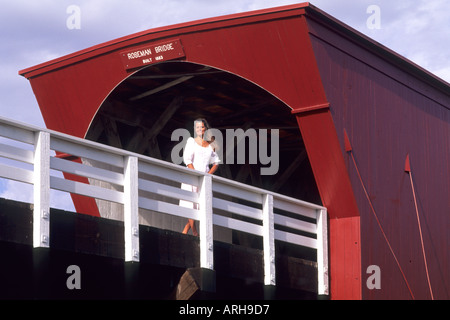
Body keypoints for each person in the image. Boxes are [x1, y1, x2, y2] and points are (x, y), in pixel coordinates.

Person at [180, 118, 220, 236]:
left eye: (201, 127)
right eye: (197, 127)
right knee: (191, 205)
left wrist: (207, 175)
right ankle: (195, 232)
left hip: (204, 178)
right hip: (192, 176)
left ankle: (185, 231)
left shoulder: (210, 145)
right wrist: (195, 175)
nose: (199, 129)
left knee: (200, 206)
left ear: (205, 129)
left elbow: (216, 162)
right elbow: (187, 159)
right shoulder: (191, 141)